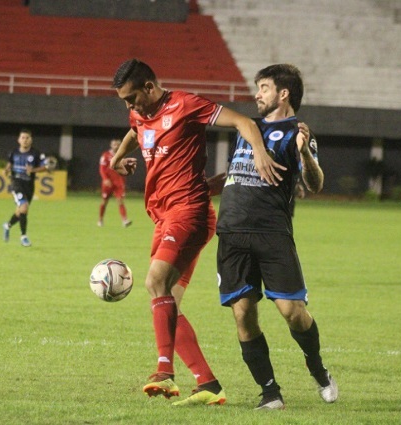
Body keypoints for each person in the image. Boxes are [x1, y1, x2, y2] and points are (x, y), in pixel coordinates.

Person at [109, 58, 284, 406]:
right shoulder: (138, 115)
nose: (130, 106)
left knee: (154, 283)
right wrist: (118, 159)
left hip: (188, 212)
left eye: (132, 98)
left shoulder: (186, 105)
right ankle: (208, 383)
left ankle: (164, 370)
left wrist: (260, 153)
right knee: (166, 301)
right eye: (124, 102)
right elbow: (135, 131)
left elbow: (243, 121)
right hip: (163, 216)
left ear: (149, 87)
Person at [214, 64, 338, 410]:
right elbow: (240, 171)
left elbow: (314, 184)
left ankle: (319, 370)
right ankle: (270, 393)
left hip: (271, 233)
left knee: (292, 311)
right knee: (242, 313)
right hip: (232, 231)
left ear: (283, 94)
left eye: (264, 87)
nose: (257, 94)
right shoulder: (247, 129)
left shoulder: (298, 132)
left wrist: (302, 153)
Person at [2, 128, 49, 247]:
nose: (25, 140)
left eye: (27, 138)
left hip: (29, 185)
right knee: (24, 207)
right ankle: (24, 237)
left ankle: (7, 225)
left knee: (21, 211)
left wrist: (33, 170)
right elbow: (9, 164)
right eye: (23, 137)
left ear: (31, 140)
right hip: (16, 183)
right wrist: (6, 170)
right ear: (19, 140)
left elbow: (45, 167)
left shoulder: (36, 153)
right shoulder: (13, 152)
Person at [98, 139, 132, 227]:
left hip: (118, 183)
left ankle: (125, 220)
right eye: (114, 144)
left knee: (120, 201)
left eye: (118, 144)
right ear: (111, 145)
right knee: (104, 202)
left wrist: (123, 181)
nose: (116, 146)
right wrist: (105, 179)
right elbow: (102, 169)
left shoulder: (122, 155)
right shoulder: (105, 155)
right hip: (108, 183)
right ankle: (100, 220)